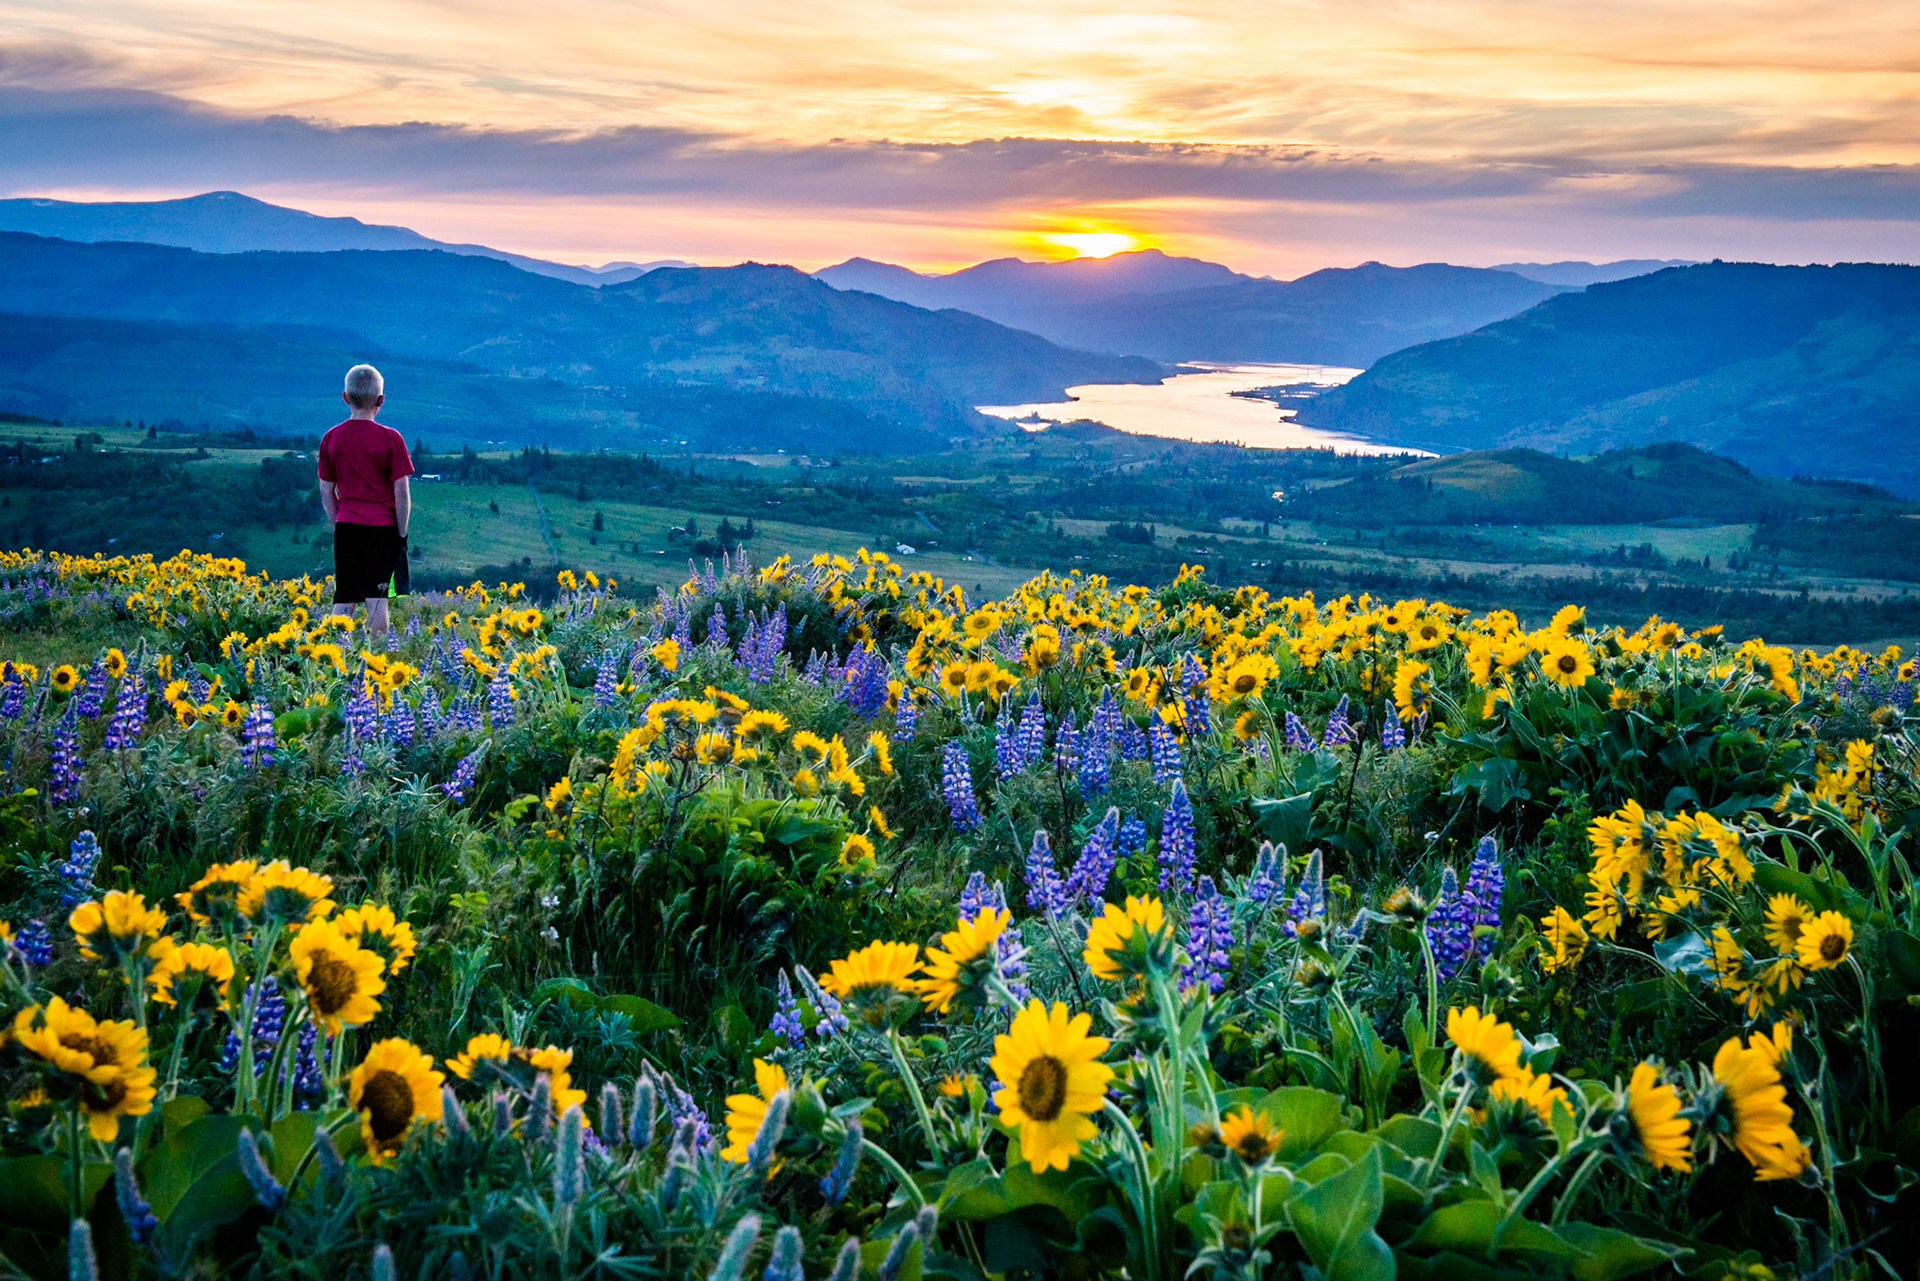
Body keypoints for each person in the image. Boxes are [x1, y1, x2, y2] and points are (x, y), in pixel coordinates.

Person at [317, 364, 413, 638]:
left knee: (344, 595)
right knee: (377, 597)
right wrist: (401, 534)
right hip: (382, 529)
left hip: (347, 526)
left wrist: (340, 523)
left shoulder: (331, 438)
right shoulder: (391, 439)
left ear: (345, 397)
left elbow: (326, 492)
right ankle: (377, 658)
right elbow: (402, 493)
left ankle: (334, 653)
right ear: (381, 401)